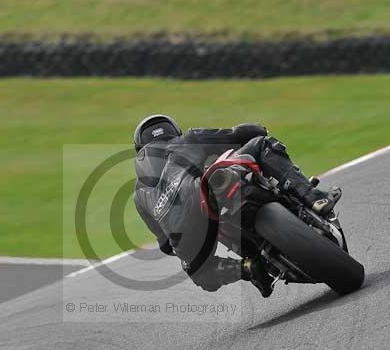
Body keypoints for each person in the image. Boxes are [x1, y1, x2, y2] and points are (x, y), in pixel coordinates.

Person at [133, 114, 341, 298]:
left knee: (196, 269)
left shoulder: (139, 195)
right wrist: (257, 129)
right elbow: (236, 135)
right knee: (260, 144)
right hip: (206, 195)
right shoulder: (187, 139)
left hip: (187, 238)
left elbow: (166, 246)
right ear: (173, 131)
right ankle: (314, 198)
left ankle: (247, 268)